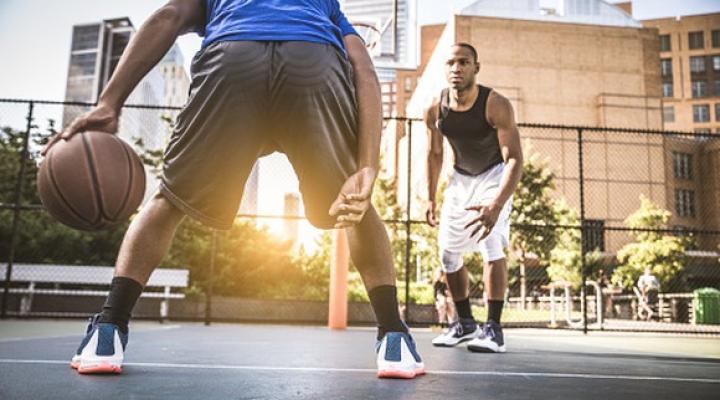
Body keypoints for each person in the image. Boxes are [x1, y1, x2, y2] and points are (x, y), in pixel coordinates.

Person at [43, 0, 423, 379]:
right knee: (353, 204)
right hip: (313, 63)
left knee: (168, 200)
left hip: (233, 60)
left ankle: (108, 330)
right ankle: (394, 337)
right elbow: (365, 72)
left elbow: (167, 17)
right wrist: (367, 167)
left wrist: (110, 102)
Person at [424, 43, 523, 353]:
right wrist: (430, 199)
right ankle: (465, 323)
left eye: (464, 62)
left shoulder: (495, 104)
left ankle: (493, 329)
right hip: (461, 179)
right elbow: (434, 153)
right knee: (447, 254)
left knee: (492, 246)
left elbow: (515, 160)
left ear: (476, 68)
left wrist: (496, 204)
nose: (457, 68)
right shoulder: (435, 108)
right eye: (451, 62)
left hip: (495, 176)